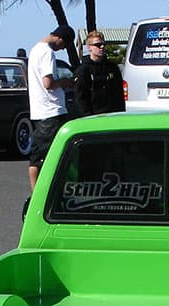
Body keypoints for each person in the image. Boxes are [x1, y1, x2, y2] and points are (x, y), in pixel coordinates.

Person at [27, 25, 75, 190]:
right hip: (50, 110)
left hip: (39, 110)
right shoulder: (47, 52)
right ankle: (40, 193)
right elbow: (48, 83)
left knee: (38, 154)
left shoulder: (35, 49)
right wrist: (64, 82)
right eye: (64, 45)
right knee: (47, 156)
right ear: (61, 38)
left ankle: (38, 191)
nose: (62, 49)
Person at [74, 31, 125, 115]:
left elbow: (119, 94)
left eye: (103, 44)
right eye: (97, 45)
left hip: (113, 115)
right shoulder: (83, 70)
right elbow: (80, 98)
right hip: (94, 117)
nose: (101, 47)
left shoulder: (112, 68)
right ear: (89, 47)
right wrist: (87, 116)